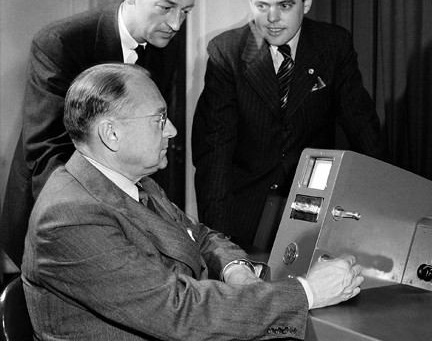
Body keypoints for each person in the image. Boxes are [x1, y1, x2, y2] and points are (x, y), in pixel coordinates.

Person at [21, 63, 363, 340]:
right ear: (111, 134)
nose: (171, 130)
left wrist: (235, 269)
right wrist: (307, 291)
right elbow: (178, 311)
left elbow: (198, 236)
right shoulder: (69, 215)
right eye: (159, 119)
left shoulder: (135, 182)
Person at [0, 0, 196, 265]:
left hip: (117, 210)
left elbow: (148, 133)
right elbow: (46, 153)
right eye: (166, 7)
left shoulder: (165, 45)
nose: (176, 24)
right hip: (54, 212)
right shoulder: (60, 43)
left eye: (185, 11)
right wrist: (98, 225)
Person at [192, 0, 385, 250]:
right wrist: (219, 244)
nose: (272, 18)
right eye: (262, 5)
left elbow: (363, 128)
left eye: (284, 5)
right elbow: (214, 155)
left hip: (313, 213)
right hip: (245, 214)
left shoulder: (333, 45)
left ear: (306, 2)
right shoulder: (226, 52)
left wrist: (384, 209)